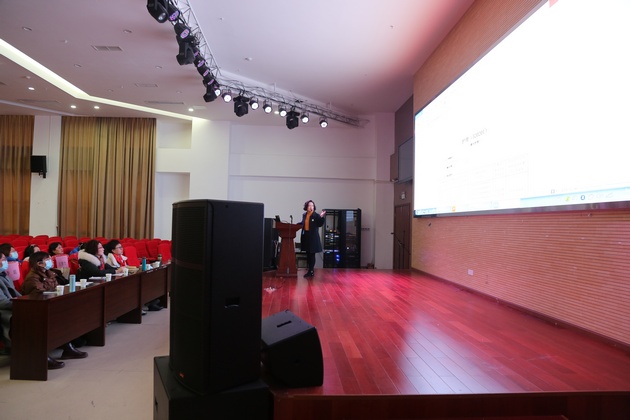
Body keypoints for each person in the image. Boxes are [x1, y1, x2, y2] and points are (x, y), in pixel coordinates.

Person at [22, 251, 88, 368]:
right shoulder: (32, 278)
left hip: (52, 304)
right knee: (59, 318)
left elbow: (56, 288)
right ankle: (53, 352)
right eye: (47, 260)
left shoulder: (50, 273)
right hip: (38, 308)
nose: (50, 261)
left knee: (70, 313)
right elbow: (39, 295)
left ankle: (68, 347)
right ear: (39, 264)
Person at [297, 199, 326, 278]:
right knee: (308, 254)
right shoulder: (304, 215)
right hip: (306, 236)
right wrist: (296, 225)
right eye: (309, 205)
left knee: (312, 254)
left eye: (312, 205)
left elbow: (320, 223)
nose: (311, 207)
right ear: (306, 207)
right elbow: (303, 223)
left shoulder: (316, 215)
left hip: (313, 237)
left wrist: (322, 217)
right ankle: (309, 270)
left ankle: (311, 271)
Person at [0, 253, 21, 355]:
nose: (6, 261)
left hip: (13, 304)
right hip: (4, 309)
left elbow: (16, 294)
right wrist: (22, 305)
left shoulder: (4, 275)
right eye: (3, 259)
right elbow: (2, 303)